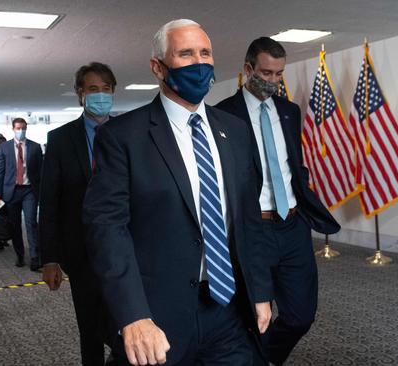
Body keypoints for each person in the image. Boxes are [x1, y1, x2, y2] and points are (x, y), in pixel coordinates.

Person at [82, 20, 270, 365]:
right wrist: (132, 315)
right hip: (156, 317)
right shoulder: (123, 137)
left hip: (227, 310)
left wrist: (259, 291)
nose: (199, 62)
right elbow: (107, 230)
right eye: (185, 54)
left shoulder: (236, 131)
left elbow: (247, 220)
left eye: (205, 53)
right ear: (158, 67)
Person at [214, 37, 341, 365]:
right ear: (247, 69)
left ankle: (263, 358)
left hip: (293, 224)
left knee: (301, 316)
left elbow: (291, 163)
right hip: (253, 228)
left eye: (278, 74)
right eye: (266, 73)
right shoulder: (222, 116)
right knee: (253, 313)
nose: (272, 81)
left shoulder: (289, 111)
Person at [39, 61, 117, 365]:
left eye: (106, 89)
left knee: (128, 320)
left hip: (127, 247)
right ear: (80, 94)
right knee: (90, 328)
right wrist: (50, 257)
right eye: (93, 89)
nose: (100, 95)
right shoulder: (60, 139)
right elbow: (50, 202)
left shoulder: (129, 132)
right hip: (81, 250)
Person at [0, 118, 43, 270]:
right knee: (14, 226)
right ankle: (20, 255)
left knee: (31, 223)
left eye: (23, 128)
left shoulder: (35, 147)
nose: (20, 131)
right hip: (11, 191)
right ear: (13, 129)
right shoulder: (4, 148)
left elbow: (40, 172)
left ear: (26, 128)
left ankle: (35, 257)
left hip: (29, 190)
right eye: (18, 128)